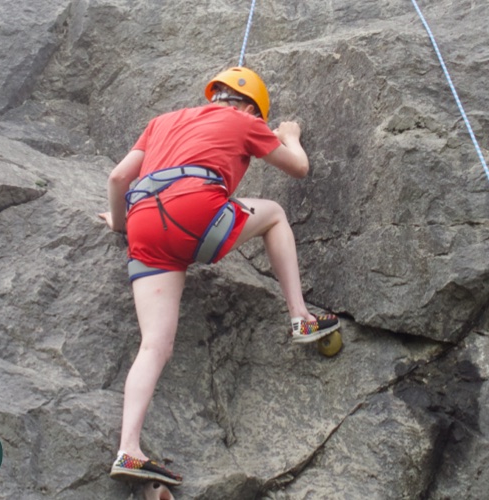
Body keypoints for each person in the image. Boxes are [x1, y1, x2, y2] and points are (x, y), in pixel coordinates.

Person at [97, 66, 339, 485]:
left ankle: (129, 450)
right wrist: (289, 137)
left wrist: (120, 224)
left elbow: (119, 177)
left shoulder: (161, 122)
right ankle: (301, 315)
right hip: (196, 213)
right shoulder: (244, 120)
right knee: (275, 214)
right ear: (250, 107)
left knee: (154, 344)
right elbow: (298, 168)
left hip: (143, 224)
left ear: (215, 96)